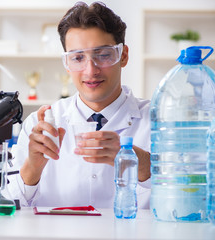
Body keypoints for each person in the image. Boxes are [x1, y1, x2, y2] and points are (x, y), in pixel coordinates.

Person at [8, 1, 151, 209]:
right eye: (77, 58)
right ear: (67, 63)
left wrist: (144, 166)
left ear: (123, 55)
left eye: (103, 55)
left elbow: (194, 198)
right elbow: (7, 210)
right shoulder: (38, 127)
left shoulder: (158, 122)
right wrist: (32, 169)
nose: (90, 71)